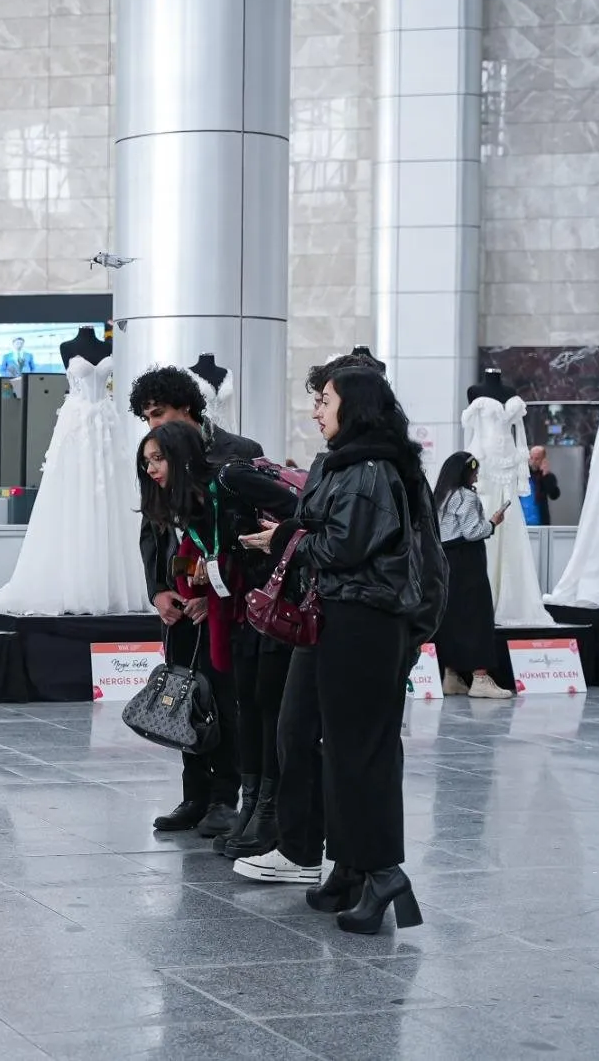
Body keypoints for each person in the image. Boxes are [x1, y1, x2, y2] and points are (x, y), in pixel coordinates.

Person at [240, 366, 443, 934]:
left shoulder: (370, 468)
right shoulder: (354, 462)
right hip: (345, 616)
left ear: (353, 406)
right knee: (342, 747)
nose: (315, 410)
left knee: (360, 751)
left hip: (365, 621)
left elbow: (344, 546)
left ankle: (382, 873)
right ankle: (352, 866)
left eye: (324, 400)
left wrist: (283, 537)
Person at [136, 423, 299, 847]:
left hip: (251, 612)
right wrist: (165, 589)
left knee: (243, 708)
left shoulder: (227, 475)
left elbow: (288, 517)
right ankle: (226, 805)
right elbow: (176, 551)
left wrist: (225, 584)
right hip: (207, 611)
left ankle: (251, 808)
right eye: (147, 461)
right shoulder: (172, 499)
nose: (152, 469)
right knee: (202, 700)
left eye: (159, 458)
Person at [129, 366, 264, 834]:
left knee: (225, 697)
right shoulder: (155, 457)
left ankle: (226, 797)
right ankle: (195, 795)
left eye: (159, 413)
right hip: (179, 600)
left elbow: (250, 537)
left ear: (187, 406)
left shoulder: (239, 453)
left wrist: (221, 591)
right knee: (183, 694)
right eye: (145, 418)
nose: (152, 426)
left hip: (228, 603)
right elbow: (152, 528)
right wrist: (159, 590)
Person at [433, 453, 514, 699]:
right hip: (467, 563)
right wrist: (492, 522)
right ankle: (480, 678)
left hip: (445, 562)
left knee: (452, 617)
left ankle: (452, 676)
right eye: (474, 472)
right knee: (478, 616)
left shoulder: (440, 497)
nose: (476, 476)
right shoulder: (467, 497)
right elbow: (471, 532)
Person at [525, 446, 560, 526]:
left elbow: (554, 495)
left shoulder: (548, 477)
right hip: (522, 522)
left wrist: (545, 475)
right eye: (531, 458)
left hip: (540, 523)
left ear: (543, 460)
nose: (533, 461)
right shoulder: (522, 475)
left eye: (537, 459)